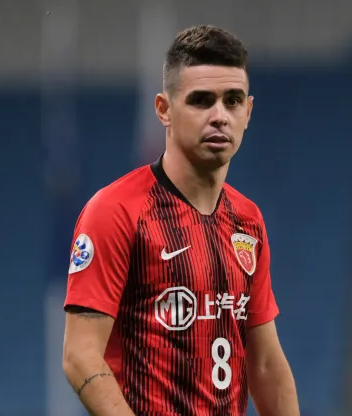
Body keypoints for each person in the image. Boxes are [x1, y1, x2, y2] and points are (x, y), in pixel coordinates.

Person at [62, 24, 300, 415]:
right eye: (201, 100)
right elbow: (80, 356)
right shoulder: (116, 211)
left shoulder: (248, 221)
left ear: (248, 111)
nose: (220, 116)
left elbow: (265, 363)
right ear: (164, 109)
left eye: (233, 100)